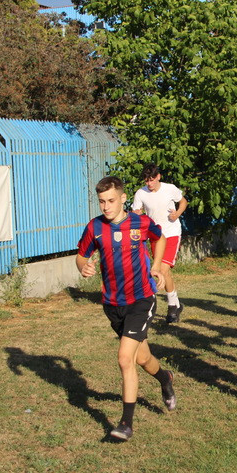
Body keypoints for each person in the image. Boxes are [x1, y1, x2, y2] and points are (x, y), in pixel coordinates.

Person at [77, 176, 177, 442]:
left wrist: (157, 266)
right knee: (142, 358)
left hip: (141, 299)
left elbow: (160, 238)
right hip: (112, 304)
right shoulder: (95, 227)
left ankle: (125, 424)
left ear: (123, 198)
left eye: (111, 200)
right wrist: (83, 267)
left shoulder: (140, 222)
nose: (106, 206)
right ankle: (165, 378)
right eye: (101, 202)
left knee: (125, 358)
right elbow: (81, 256)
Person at [132, 163, 188, 323]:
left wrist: (177, 213)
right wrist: (137, 214)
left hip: (172, 233)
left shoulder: (170, 188)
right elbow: (136, 212)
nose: (149, 183)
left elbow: (183, 202)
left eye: (152, 180)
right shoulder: (140, 193)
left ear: (158, 177)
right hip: (155, 236)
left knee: (163, 269)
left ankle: (172, 308)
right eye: (146, 180)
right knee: (161, 272)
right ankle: (176, 304)